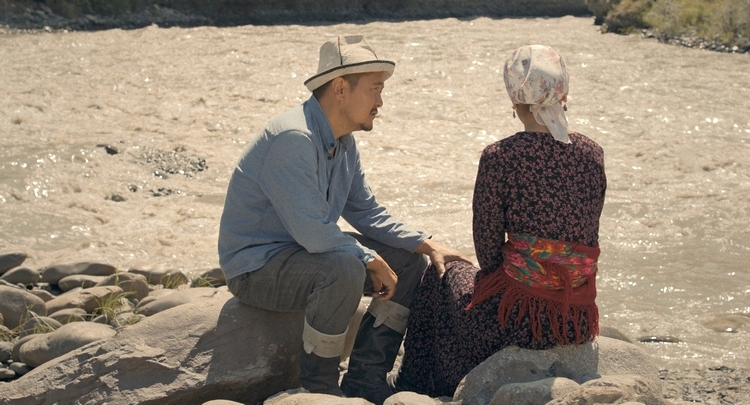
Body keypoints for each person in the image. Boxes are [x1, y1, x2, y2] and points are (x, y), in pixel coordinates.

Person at [217, 35, 470, 405]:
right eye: (375, 89)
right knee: (345, 267)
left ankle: (366, 377)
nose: (381, 102)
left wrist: (427, 244)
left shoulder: (344, 142)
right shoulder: (293, 138)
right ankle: (319, 387)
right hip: (256, 268)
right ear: (339, 88)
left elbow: (366, 211)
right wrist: (368, 257)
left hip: (302, 254)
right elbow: (314, 233)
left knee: (407, 261)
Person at [391, 45, 607, 398]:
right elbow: (588, 232)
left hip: (521, 320)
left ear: (514, 100)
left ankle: (415, 383)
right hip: (574, 319)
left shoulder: (500, 156)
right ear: (563, 95)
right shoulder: (592, 154)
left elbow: (488, 254)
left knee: (442, 273)